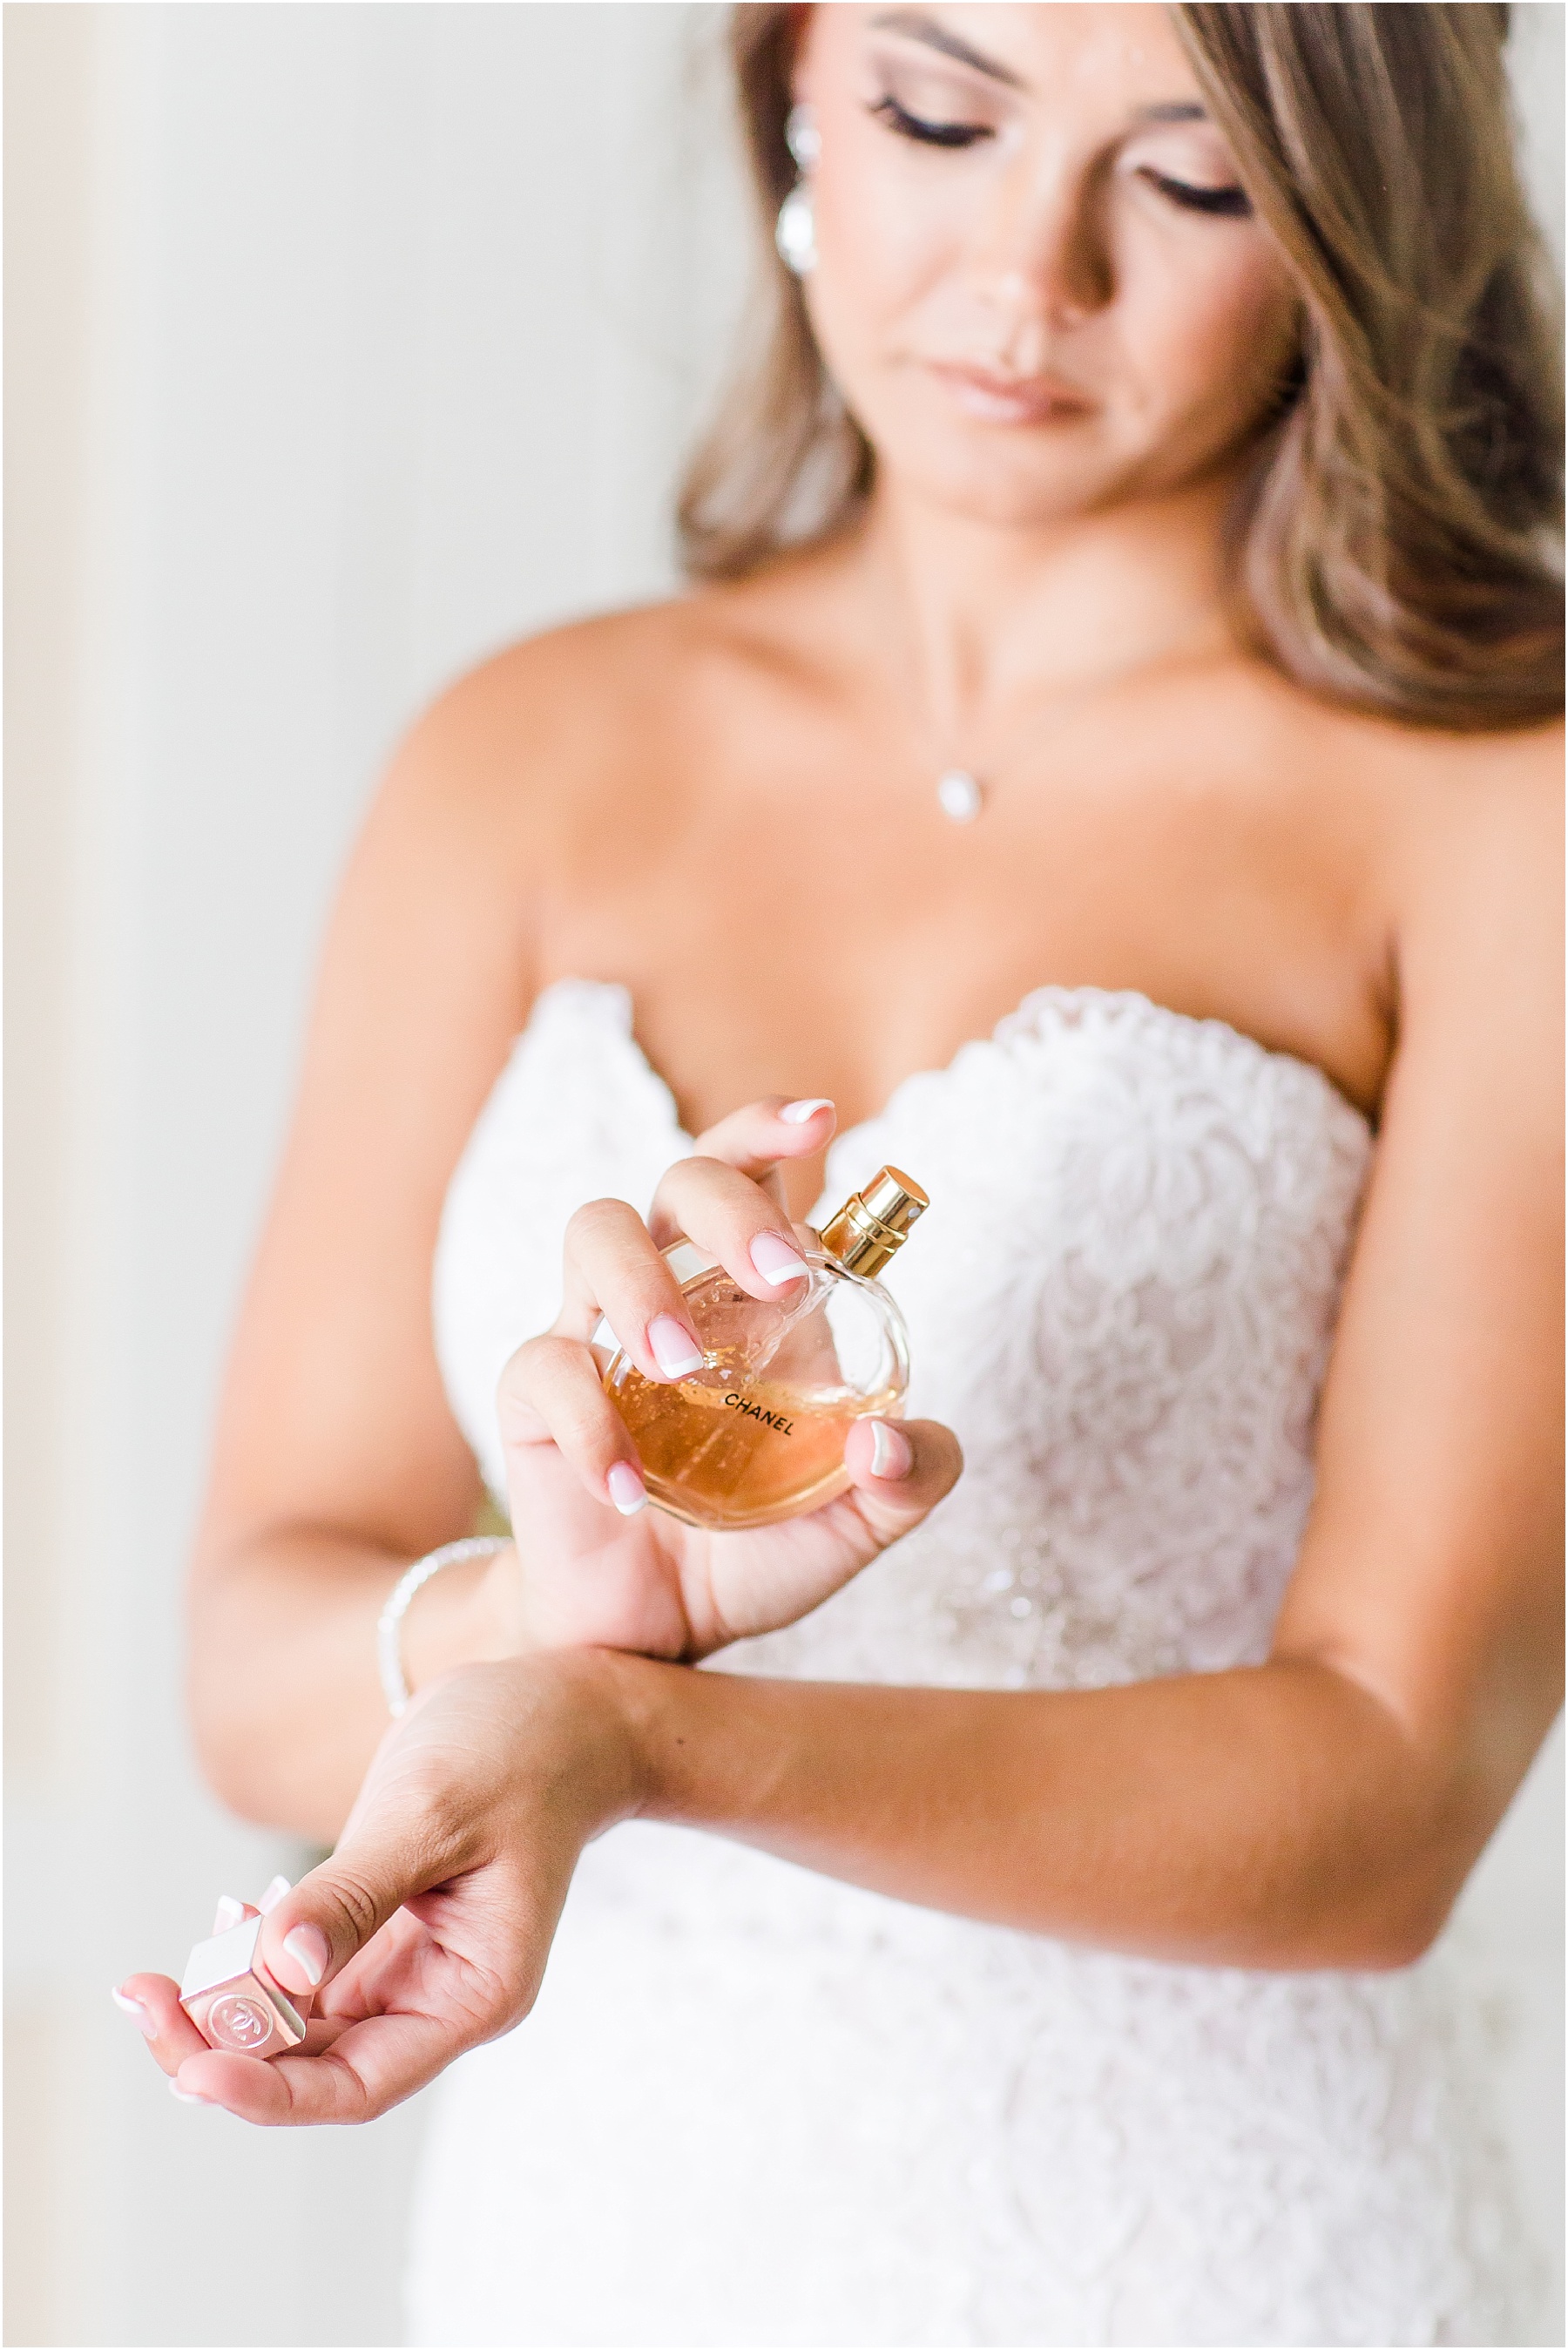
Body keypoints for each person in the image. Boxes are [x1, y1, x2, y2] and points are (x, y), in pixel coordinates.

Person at [117, 4, 1562, 2341]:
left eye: (1187, 181)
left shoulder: (1499, 819)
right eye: (939, 112)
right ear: (791, 78)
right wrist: (546, 1617)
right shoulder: (522, 762)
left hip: (1216, 2246)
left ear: (1340, 226)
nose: (1027, 273)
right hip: (604, 2231)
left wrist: (645, 1738)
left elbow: (1395, 1787)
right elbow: (254, 1639)